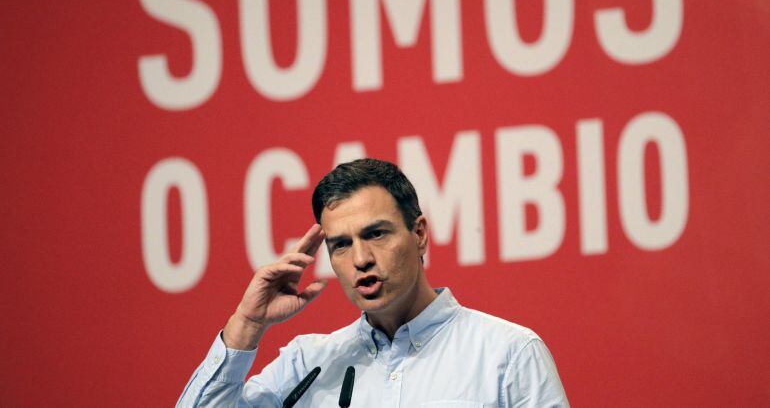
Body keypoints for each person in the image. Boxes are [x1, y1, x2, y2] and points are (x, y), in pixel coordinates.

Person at [177, 158, 569, 407]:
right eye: (341, 245)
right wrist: (246, 325)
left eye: (377, 234)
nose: (360, 259)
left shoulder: (507, 354)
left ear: (419, 234)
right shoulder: (306, 365)